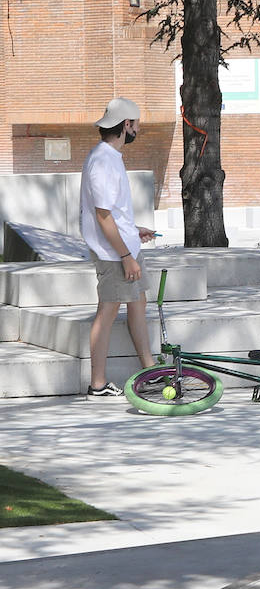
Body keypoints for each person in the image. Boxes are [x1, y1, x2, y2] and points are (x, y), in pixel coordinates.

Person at [80, 97, 157, 399]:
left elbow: (113, 212)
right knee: (107, 312)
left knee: (138, 304)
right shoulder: (102, 160)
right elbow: (102, 215)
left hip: (124, 247)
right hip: (114, 254)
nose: (138, 129)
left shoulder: (110, 157)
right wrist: (125, 256)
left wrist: (134, 232)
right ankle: (97, 384)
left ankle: (149, 371)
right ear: (126, 125)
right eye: (137, 124)